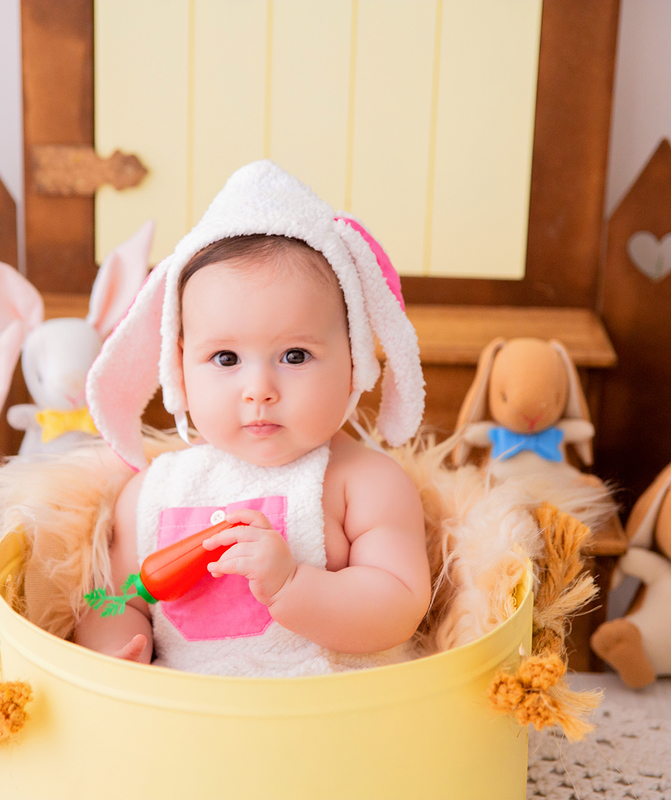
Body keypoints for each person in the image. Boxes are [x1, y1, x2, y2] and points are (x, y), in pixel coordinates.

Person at [78, 161, 431, 676]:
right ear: (178, 369)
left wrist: (294, 586)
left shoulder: (364, 482)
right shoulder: (154, 492)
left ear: (354, 361)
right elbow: (116, 598)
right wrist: (120, 649)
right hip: (187, 717)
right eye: (225, 359)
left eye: (294, 356)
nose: (259, 391)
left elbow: (398, 604)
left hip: (324, 716)